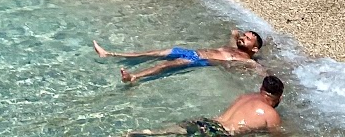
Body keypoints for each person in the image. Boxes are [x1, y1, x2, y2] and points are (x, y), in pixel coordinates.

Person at [125, 75, 284, 134]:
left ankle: (141, 132)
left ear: (261, 88)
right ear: (279, 97)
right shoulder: (271, 114)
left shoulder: (245, 96)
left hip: (206, 122)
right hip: (220, 134)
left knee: (167, 132)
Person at [94, 28, 264, 83]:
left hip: (199, 60)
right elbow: (234, 31)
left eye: (248, 39)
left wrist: (264, 75)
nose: (243, 38)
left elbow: (258, 70)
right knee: (155, 52)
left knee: (165, 65)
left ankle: (134, 77)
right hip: (192, 52)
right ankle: (109, 53)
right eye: (244, 36)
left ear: (254, 49)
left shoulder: (246, 59)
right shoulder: (233, 45)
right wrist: (241, 36)